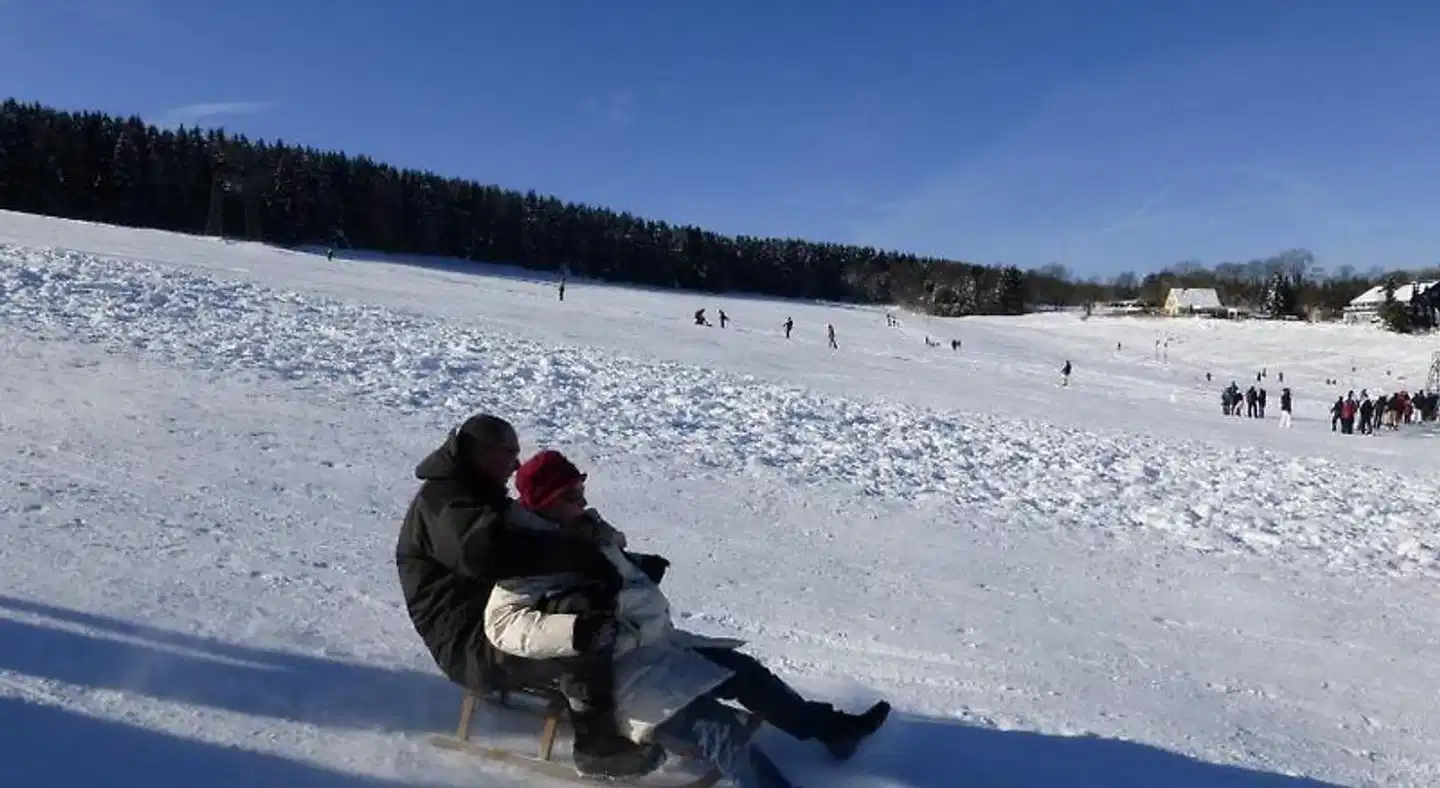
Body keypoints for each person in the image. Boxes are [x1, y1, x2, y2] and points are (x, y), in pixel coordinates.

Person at [484, 450, 890, 787]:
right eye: (572, 496)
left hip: (655, 644)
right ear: (544, 503)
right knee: (721, 730)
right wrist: (577, 630)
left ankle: (834, 731)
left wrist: (636, 565)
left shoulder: (582, 529)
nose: (583, 502)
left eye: (581, 492)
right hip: (611, 675)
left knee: (748, 674)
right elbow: (503, 624)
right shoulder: (525, 553)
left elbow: (603, 571)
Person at [395, 413, 662, 777]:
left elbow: (533, 539)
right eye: (510, 452)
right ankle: (596, 747)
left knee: (593, 601)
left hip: (495, 622)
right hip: (469, 645)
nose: (516, 464)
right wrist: (580, 557)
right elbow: (489, 555)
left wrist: (615, 560)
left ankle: (619, 697)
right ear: (482, 452)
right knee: (578, 625)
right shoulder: (445, 503)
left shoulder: (473, 495)